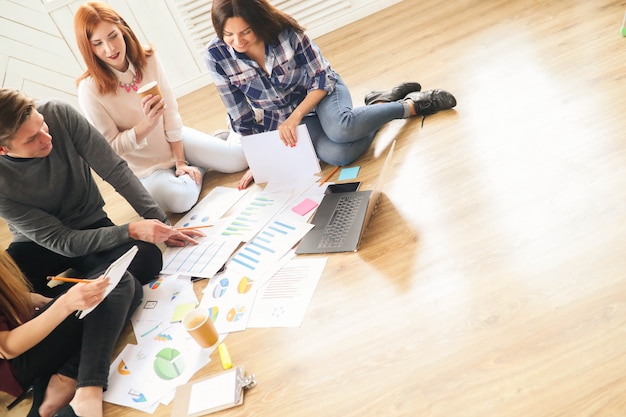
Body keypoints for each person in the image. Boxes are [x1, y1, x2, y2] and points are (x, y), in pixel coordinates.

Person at [206, 0, 457, 190]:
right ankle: (379, 103)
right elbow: (240, 115)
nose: (237, 42)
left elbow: (321, 78)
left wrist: (296, 116)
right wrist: (260, 160)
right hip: (286, 117)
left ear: (258, 22)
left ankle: (411, 106)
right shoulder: (216, 56)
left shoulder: (287, 33)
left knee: (342, 128)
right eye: (228, 35)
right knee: (339, 155)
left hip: (322, 92)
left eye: (245, 32)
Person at [0, 88, 202, 297]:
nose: (46, 136)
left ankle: (79, 293)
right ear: (2, 149)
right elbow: (63, 241)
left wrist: (161, 223)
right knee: (6, 296)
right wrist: (131, 230)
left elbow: (115, 170)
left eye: (42, 122)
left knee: (148, 257)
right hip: (39, 242)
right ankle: (94, 287)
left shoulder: (59, 113)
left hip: (90, 225)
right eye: (32, 139)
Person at [74, 1, 248, 214]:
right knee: (179, 202)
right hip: (146, 169)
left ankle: (220, 138)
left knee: (240, 160)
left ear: (123, 31)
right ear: (88, 48)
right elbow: (113, 148)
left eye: (113, 36)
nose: (110, 48)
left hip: (175, 141)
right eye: (97, 43)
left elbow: (171, 112)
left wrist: (181, 161)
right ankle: (201, 163)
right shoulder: (89, 90)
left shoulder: (148, 59)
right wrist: (146, 124)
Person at [0, 250, 142, 417]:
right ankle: (88, 392)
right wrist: (65, 304)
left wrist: (25, 298)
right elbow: (6, 348)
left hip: (20, 338)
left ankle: (64, 379)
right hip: (16, 363)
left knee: (127, 286)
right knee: (118, 283)